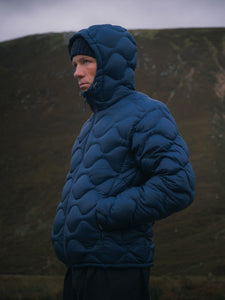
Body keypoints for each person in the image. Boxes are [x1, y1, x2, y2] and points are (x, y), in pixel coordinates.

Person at [52, 24, 195, 300]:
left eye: (86, 61)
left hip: (116, 273)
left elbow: (178, 185)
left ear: (110, 64)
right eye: (74, 63)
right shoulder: (91, 124)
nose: (77, 72)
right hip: (80, 269)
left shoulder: (147, 113)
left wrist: (102, 214)